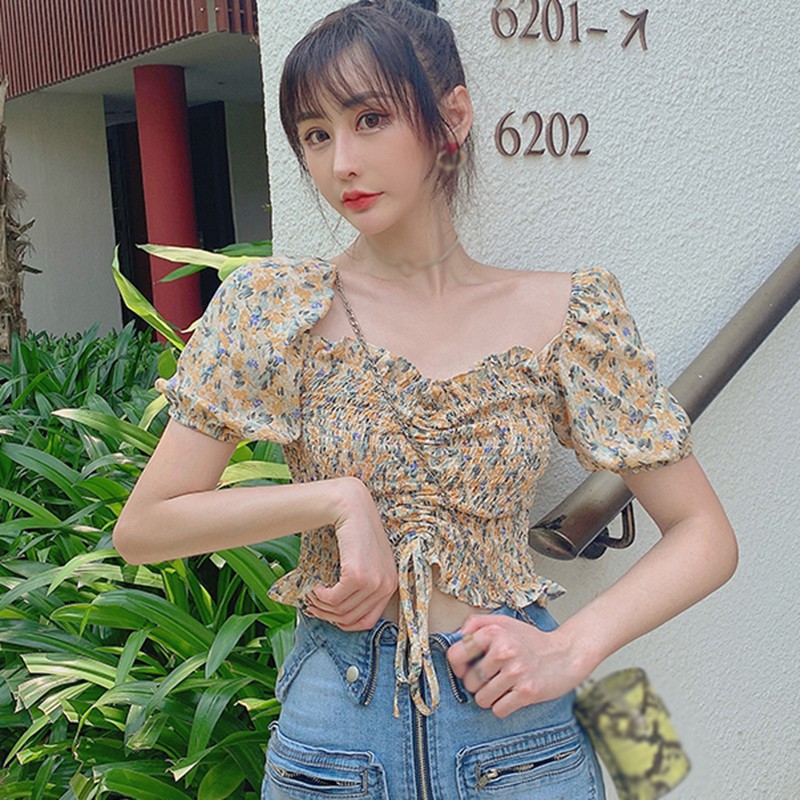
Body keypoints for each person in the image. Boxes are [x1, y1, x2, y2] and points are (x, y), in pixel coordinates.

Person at [113, 1, 738, 797]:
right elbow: (145, 528)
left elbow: (705, 534)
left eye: (370, 119)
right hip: (338, 736)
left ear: (452, 118)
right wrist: (336, 500)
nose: (342, 162)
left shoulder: (568, 312)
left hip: (519, 736)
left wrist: (571, 647)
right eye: (315, 134)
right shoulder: (275, 310)